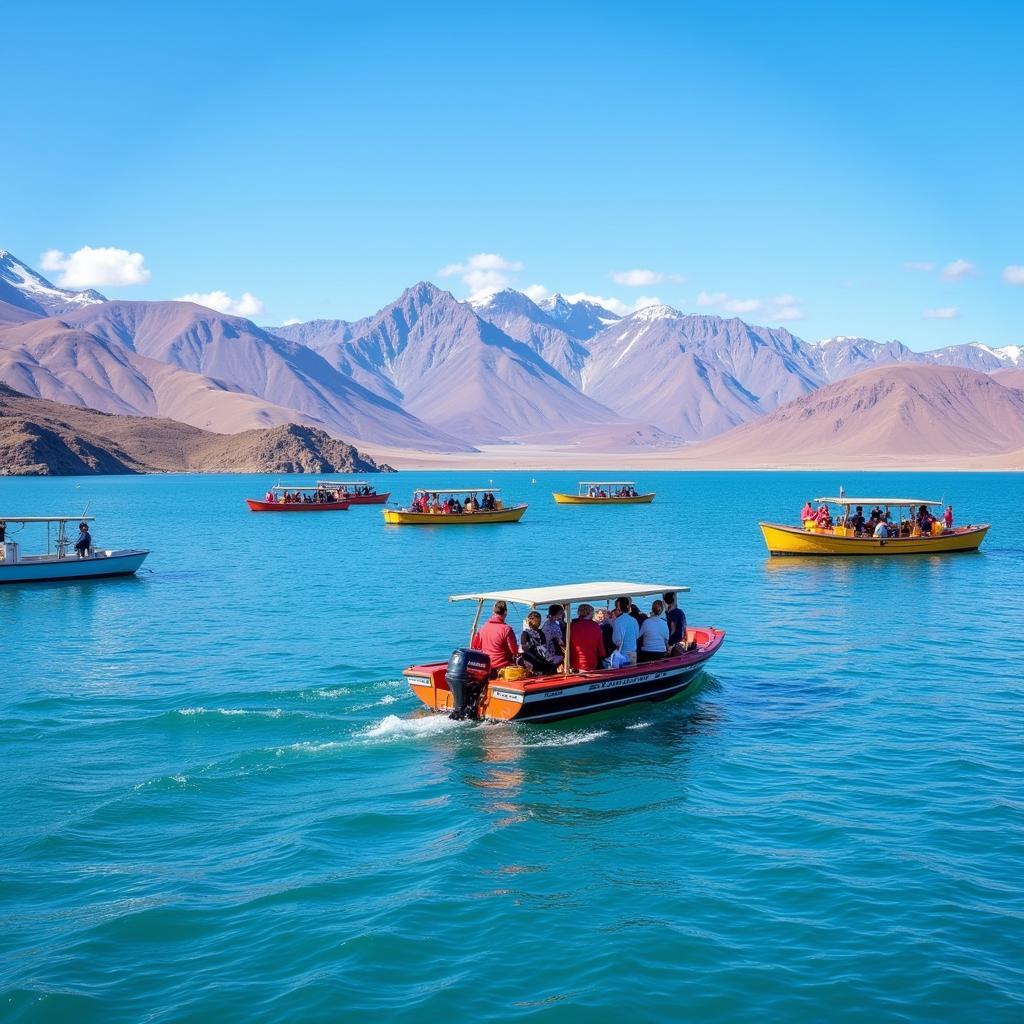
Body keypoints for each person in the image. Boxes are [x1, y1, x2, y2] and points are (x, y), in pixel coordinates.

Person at [471, 600, 518, 670]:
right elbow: (514, 651)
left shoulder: (483, 628)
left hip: (487, 665)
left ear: (493, 612)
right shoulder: (507, 629)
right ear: (505, 612)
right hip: (503, 665)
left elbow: (475, 647)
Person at [568, 604, 605, 671]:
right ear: (590, 613)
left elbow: (569, 645)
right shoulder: (595, 626)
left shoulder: (572, 626)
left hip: (574, 663)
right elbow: (600, 648)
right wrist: (603, 655)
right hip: (591, 662)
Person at [611, 596, 639, 665]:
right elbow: (637, 635)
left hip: (622, 653)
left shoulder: (618, 621)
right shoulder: (634, 620)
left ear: (618, 607)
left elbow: (616, 639)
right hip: (632, 652)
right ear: (627, 606)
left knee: (622, 673)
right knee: (632, 673)